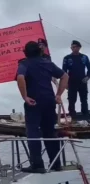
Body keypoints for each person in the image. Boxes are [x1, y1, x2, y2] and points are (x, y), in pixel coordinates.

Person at [16, 41, 68, 173]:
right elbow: (65, 76)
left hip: (34, 102)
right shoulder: (47, 63)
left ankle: (37, 164)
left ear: (26, 52)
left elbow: (20, 77)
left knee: (33, 132)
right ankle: (56, 163)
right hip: (49, 101)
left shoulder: (24, 64)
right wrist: (58, 95)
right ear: (40, 51)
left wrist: (25, 97)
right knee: (50, 132)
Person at [62, 40, 90, 117]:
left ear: (79, 47)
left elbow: (89, 68)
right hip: (71, 82)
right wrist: (65, 83)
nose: (72, 48)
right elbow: (64, 71)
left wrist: (87, 77)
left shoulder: (84, 57)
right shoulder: (67, 58)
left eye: (74, 47)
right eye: (72, 47)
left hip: (82, 81)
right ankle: (72, 115)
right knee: (71, 100)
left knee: (84, 99)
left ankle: (86, 115)